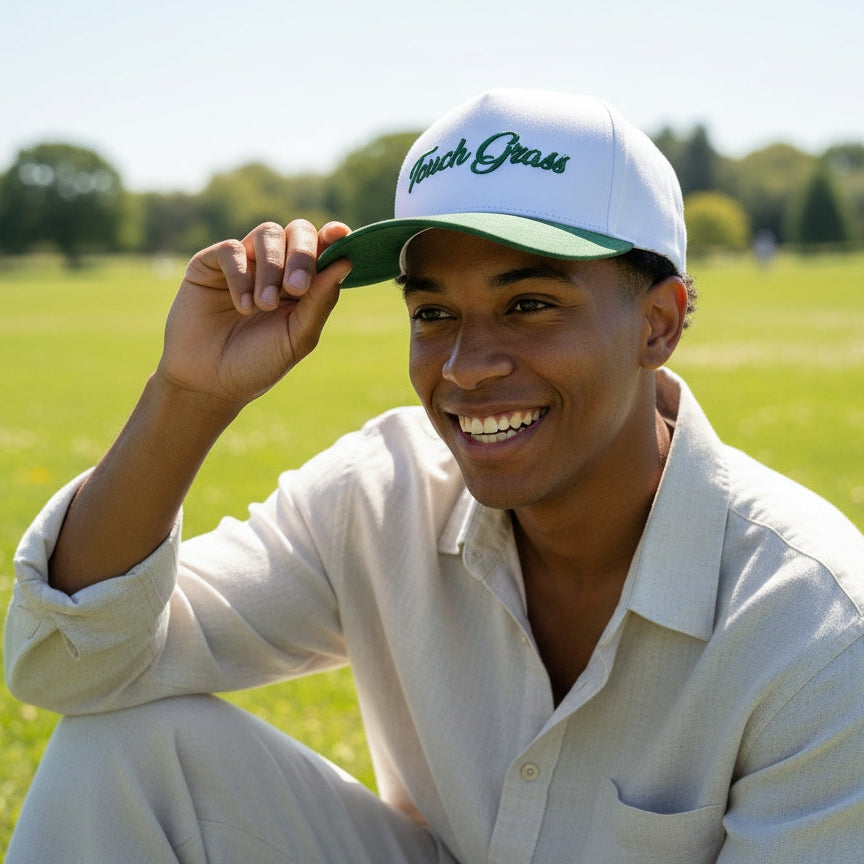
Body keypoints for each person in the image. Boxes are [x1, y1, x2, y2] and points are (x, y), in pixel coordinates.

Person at [5, 89, 864, 863]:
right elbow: (67, 666)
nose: (466, 365)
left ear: (659, 323)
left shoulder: (812, 622)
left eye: (529, 304)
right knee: (117, 756)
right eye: (433, 312)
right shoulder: (379, 495)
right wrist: (188, 395)